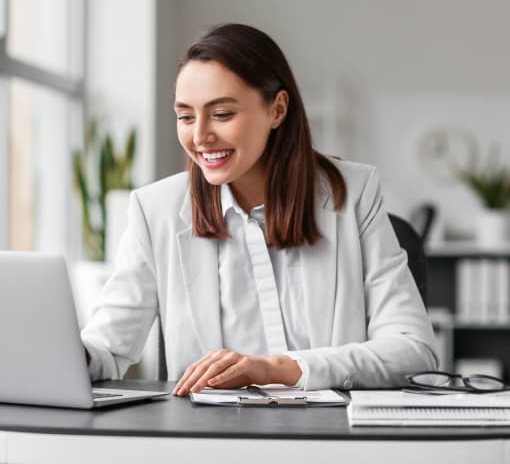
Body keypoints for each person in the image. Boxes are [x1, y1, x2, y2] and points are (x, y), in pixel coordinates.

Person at [81, 23, 437, 396]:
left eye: (221, 114)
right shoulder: (156, 211)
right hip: (212, 444)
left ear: (277, 110)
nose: (200, 136)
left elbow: (414, 350)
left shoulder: (353, 193)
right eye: (186, 117)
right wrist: (78, 356)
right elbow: (107, 347)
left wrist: (279, 369)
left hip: (328, 441)